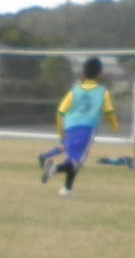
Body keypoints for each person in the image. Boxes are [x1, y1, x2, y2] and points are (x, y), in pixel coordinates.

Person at [38, 57, 119, 197]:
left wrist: (61, 131)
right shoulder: (102, 92)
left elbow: (60, 112)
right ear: (99, 74)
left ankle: (67, 190)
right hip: (87, 129)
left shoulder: (74, 91)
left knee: (72, 159)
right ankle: (54, 169)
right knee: (77, 163)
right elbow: (109, 112)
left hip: (70, 127)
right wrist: (114, 126)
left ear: (84, 73)